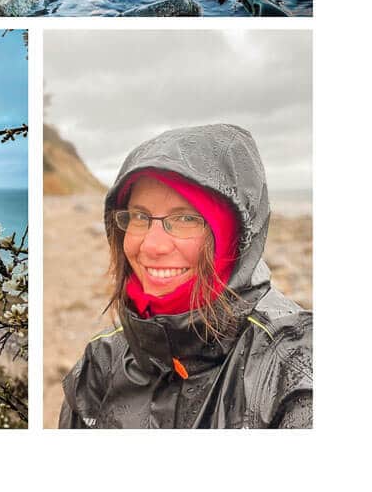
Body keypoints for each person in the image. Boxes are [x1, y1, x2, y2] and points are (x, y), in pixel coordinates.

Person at [59, 123, 312, 428]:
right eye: (140, 216)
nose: (151, 246)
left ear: (234, 234)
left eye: (185, 218)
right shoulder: (99, 364)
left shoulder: (292, 366)